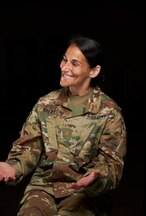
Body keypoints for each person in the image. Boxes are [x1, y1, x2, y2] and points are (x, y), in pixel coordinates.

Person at [0, 35, 127, 215]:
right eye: (64, 60)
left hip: (84, 193)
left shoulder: (109, 113)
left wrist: (96, 178)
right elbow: (29, 148)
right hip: (43, 188)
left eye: (74, 64)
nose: (64, 67)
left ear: (94, 71)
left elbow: (111, 166)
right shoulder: (45, 104)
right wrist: (12, 166)